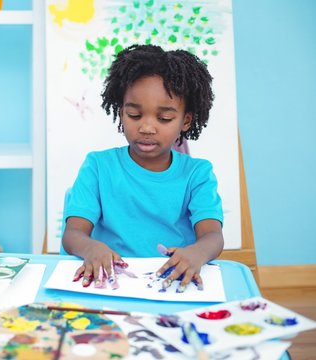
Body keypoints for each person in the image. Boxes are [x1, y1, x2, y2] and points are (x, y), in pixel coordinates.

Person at [62, 44, 224, 292]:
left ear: (186, 121)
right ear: (121, 113)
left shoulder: (197, 174)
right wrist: (90, 247)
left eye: (164, 118)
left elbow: (213, 236)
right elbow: (73, 233)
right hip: (112, 282)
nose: (147, 128)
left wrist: (197, 253)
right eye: (134, 115)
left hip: (173, 284)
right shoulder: (98, 166)